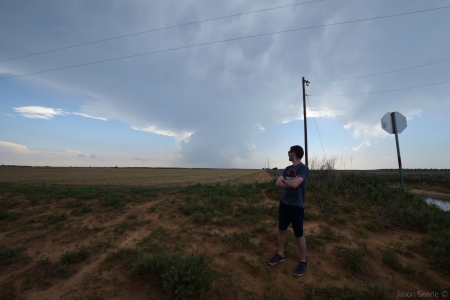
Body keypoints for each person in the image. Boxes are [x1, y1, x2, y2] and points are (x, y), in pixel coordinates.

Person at [267, 145, 310, 277]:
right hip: (284, 204)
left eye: (289, 152)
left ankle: (303, 262)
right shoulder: (287, 169)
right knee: (281, 229)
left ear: (294, 153)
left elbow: (295, 184)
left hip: (297, 206)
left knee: (299, 234)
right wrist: (289, 182)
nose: (288, 154)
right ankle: (280, 254)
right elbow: (277, 183)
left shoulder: (303, 169)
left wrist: (286, 181)